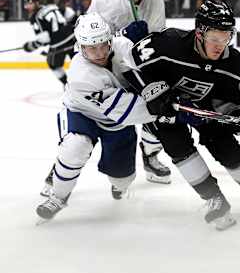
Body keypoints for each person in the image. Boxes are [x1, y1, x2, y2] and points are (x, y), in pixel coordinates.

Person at [122, 0, 240, 230]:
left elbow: (230, 104)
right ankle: (212, 197)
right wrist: (150, 90)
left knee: (225, 144)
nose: (220, 45)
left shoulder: (233, 63)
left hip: (204, 110)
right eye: (214, 37)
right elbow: (126, 64)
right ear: (199, 32)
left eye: (226, 37)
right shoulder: (167, 44)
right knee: (179, 147)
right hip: (166, 110)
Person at [36, 13, 161, 221]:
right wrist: (163, 108)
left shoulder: (122, 45)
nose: (100, 52)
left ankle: (119, 183)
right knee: (75, 147)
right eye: (92, 48)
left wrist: (144, 44)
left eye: (103, 44)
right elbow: (128, 110)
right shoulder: (81, 75)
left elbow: (148, 63)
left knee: (122, 179)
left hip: (116, 119)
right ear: (81, 47)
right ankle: (58, 196)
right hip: (82, 113)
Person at [87, 0, 171, 183]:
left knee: (161, 105)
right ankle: (61, 170)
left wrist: (144, 40)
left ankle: (151, 156)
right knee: (90, 121)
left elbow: (157, 41)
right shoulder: (104, 0)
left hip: (138, 67)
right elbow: (88, 40)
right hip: (107, 69)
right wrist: (123, 36)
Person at [23, 0, 75, 86]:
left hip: (58, 43)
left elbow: (45, 38)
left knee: (53, 64)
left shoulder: (36, 17)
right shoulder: (52, 6)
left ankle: (68, 86)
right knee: (78, 61)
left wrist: (31, 46)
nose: (28, 6)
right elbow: (70, 13)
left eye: (31, 3)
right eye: (27, 3)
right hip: (72, 37)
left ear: (37, 2)